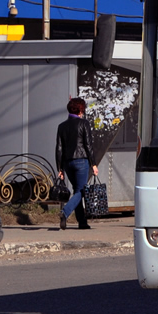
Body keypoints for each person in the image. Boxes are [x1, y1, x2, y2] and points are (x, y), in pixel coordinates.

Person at [55, 97, 98, 230]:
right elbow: (88, 145)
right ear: (80, 110)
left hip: (67, 163)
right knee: (81, 191)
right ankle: (65, 212)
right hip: (81, 161)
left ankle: (82, 222)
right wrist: (94, 164)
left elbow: (59, 148)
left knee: (77, 190)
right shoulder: (84, 123)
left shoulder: (61, 126)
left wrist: (60, 168)